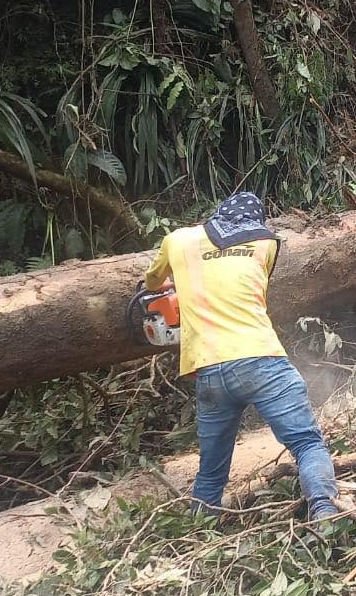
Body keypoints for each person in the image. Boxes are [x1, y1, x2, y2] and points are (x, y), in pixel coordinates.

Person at [143, 192, 339, 520]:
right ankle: (324, 513)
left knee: (210, 472)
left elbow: (151, 282)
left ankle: (198, 534)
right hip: (262, 359)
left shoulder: (178, 241)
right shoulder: (267, 244)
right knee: (307, 444)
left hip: (208, 370)